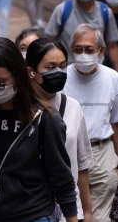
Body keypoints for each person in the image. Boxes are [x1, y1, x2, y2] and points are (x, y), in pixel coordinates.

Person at [0, 37, 78, 221]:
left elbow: (62, 179)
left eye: (0, 83)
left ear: (18, 75)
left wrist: (72, 218)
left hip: (33, 216)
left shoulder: (45, 118)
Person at [26, 38, 93, 221]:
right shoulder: (20, 109)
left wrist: (87, 212)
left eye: (62, 66)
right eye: (50, 67)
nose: (58, 72)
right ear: (31, 71)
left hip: (69, 211)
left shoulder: (73, 107)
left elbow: (82, 165)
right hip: (32, 210)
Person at [62, 23, 118, 222]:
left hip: (102, 153)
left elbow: (116, 125)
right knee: (73, 214)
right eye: (78, 49)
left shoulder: (113, 79)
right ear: (71, 51)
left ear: (101, 51)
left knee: (99, 217)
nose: (83, 54)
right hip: (69, 155)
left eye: (89, 49)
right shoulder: (62, 78)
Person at [45, 0, 118, 69]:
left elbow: (112, 46)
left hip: (97, 70)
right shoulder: (62, 10)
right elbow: (48, 42)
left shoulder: (105, 12)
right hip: (67, 71)